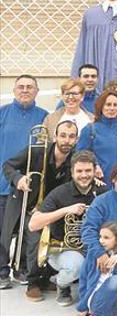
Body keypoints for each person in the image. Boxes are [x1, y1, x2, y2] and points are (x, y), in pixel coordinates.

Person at [0, 121, 78, 296]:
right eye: (63, 135)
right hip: (25, 203)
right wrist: (18, 178)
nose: (66, 140)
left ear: (76, 139)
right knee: (35, 239)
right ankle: (32, 282)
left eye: (71, 136)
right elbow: (8, 165)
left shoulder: (74, 159)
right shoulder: (37, 150)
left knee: (55, 237)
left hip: (49, 209)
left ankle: (45, 278)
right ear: (55, 136)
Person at [27, 150, 107, 305]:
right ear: (72, 172)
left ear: (94, 171)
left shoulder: (102, 191)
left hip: (93, 247)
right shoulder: (60, 193)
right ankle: (62, 284)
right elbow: (33, 224)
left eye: (88, 171)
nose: (84, 175)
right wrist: (65, 210)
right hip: (64, 249)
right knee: (76, 266)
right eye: (79, 171)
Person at [0, 75, 49, 236]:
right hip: (2, 186)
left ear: (37, 91)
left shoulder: (45, 117)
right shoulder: (2, 113)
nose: (25, 90)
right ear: (14, 90)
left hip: (28, 189)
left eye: (30, 87)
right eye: (21, 86)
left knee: (21, 238)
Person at [76, 90, 117, 182]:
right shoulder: (89, 130)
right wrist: (94, 166)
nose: (112, 108)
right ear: (101, 106)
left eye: (115, 105)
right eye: (108, 105)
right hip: (99, 182)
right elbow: (80, 155)